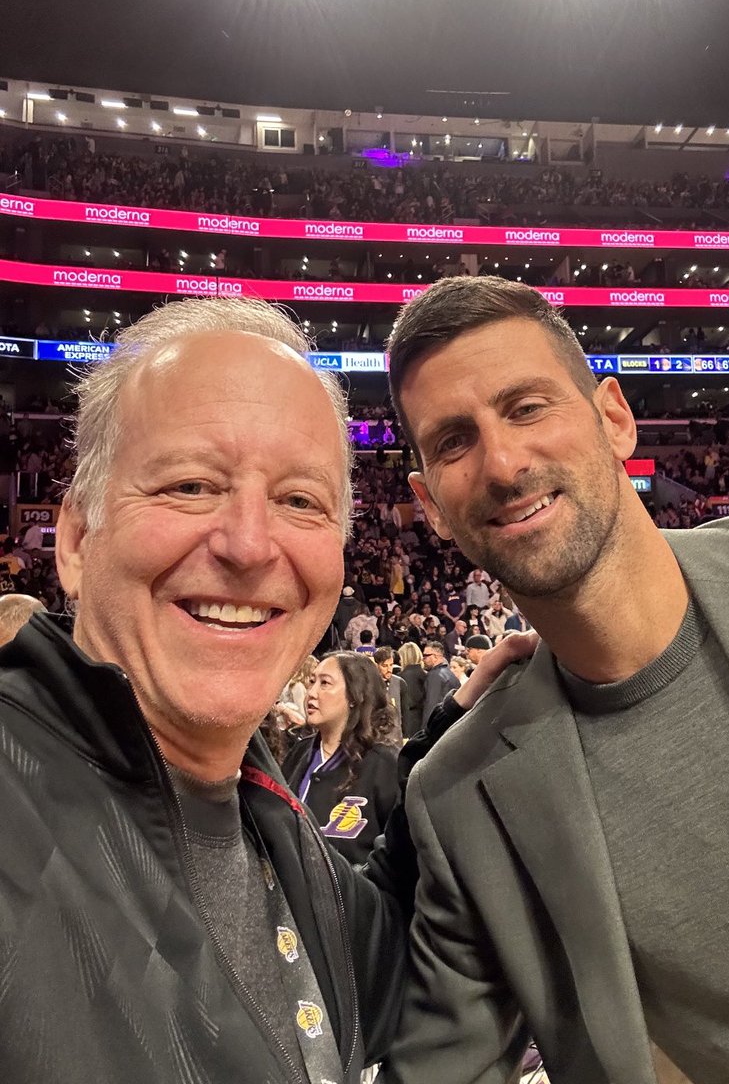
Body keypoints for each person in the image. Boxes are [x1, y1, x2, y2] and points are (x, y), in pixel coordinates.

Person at [380, 275, 729, 1084]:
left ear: (614, 419)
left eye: (527, 407)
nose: (505, 463)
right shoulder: (457, 800)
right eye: (454, 441)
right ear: (430, 506)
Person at [0, 296, 522, 1084]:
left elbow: (385, 966)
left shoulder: (259, 805)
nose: (249, 544)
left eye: (299, 501)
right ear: (75, 540)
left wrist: (462, 732)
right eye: (189, 486)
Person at [282, 653, 400, 868]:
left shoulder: (385, 764)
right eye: (312, 682)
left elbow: (400, 856)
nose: (311, 693)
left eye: (324, 683)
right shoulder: (298, 751)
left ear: (355, 696)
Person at [372, 646, 405, 745]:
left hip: (396, 738)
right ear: (377, 665)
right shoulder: (369, 684)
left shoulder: (399, 682)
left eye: (391, 665)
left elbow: (405, 711)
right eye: (384, 666)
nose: (389, 669)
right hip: (377, 738)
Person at [421, 641, 457, 725]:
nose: (423, 659)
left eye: (425, 656)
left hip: (438, 728)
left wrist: (424, 732)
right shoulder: (452, 676)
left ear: (435, 657)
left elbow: (431, 706)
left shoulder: (434, 676)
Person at [397, 641, 426, 737]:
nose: (399, 661)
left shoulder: (399, 678)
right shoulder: (426, 675)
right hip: (422, 720)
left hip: (407, 722)